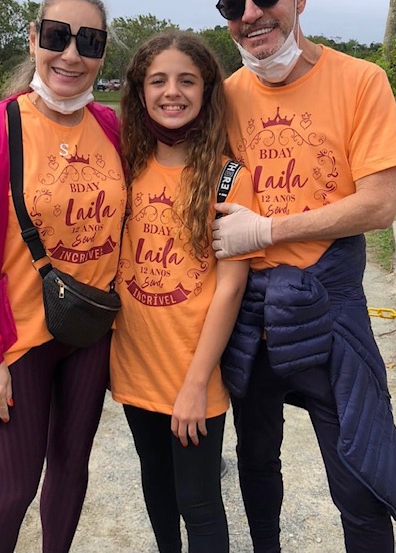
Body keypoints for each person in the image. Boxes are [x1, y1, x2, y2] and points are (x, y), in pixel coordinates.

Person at [209, 0, 396, 553]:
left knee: (358, 475)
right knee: (257, 462)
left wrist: (270, 228)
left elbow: (378, 204)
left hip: (327, 303)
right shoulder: (225, 97)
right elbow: (219, 179)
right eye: (231, 4)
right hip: (250, 310)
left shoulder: (361, 82)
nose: (250, 14)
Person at [0, 0, 126, 553]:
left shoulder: (112, 130)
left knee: (72, 471)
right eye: (57, 36)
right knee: (14, 484)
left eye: (89, 41)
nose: (71, 54)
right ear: (34, 38)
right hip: (19, 339)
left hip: (90, 330)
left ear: (101, 55)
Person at [110, 31, 259, 553]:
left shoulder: (227, 176)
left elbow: (230, 286)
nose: (172, 92)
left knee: (198, 500)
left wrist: (196, 383)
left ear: (206, 90)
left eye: (186, 80)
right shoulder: (124, 165)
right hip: (134, 363)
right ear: (140, 90)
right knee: (156, 484)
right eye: (158, 80)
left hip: (193, 371)